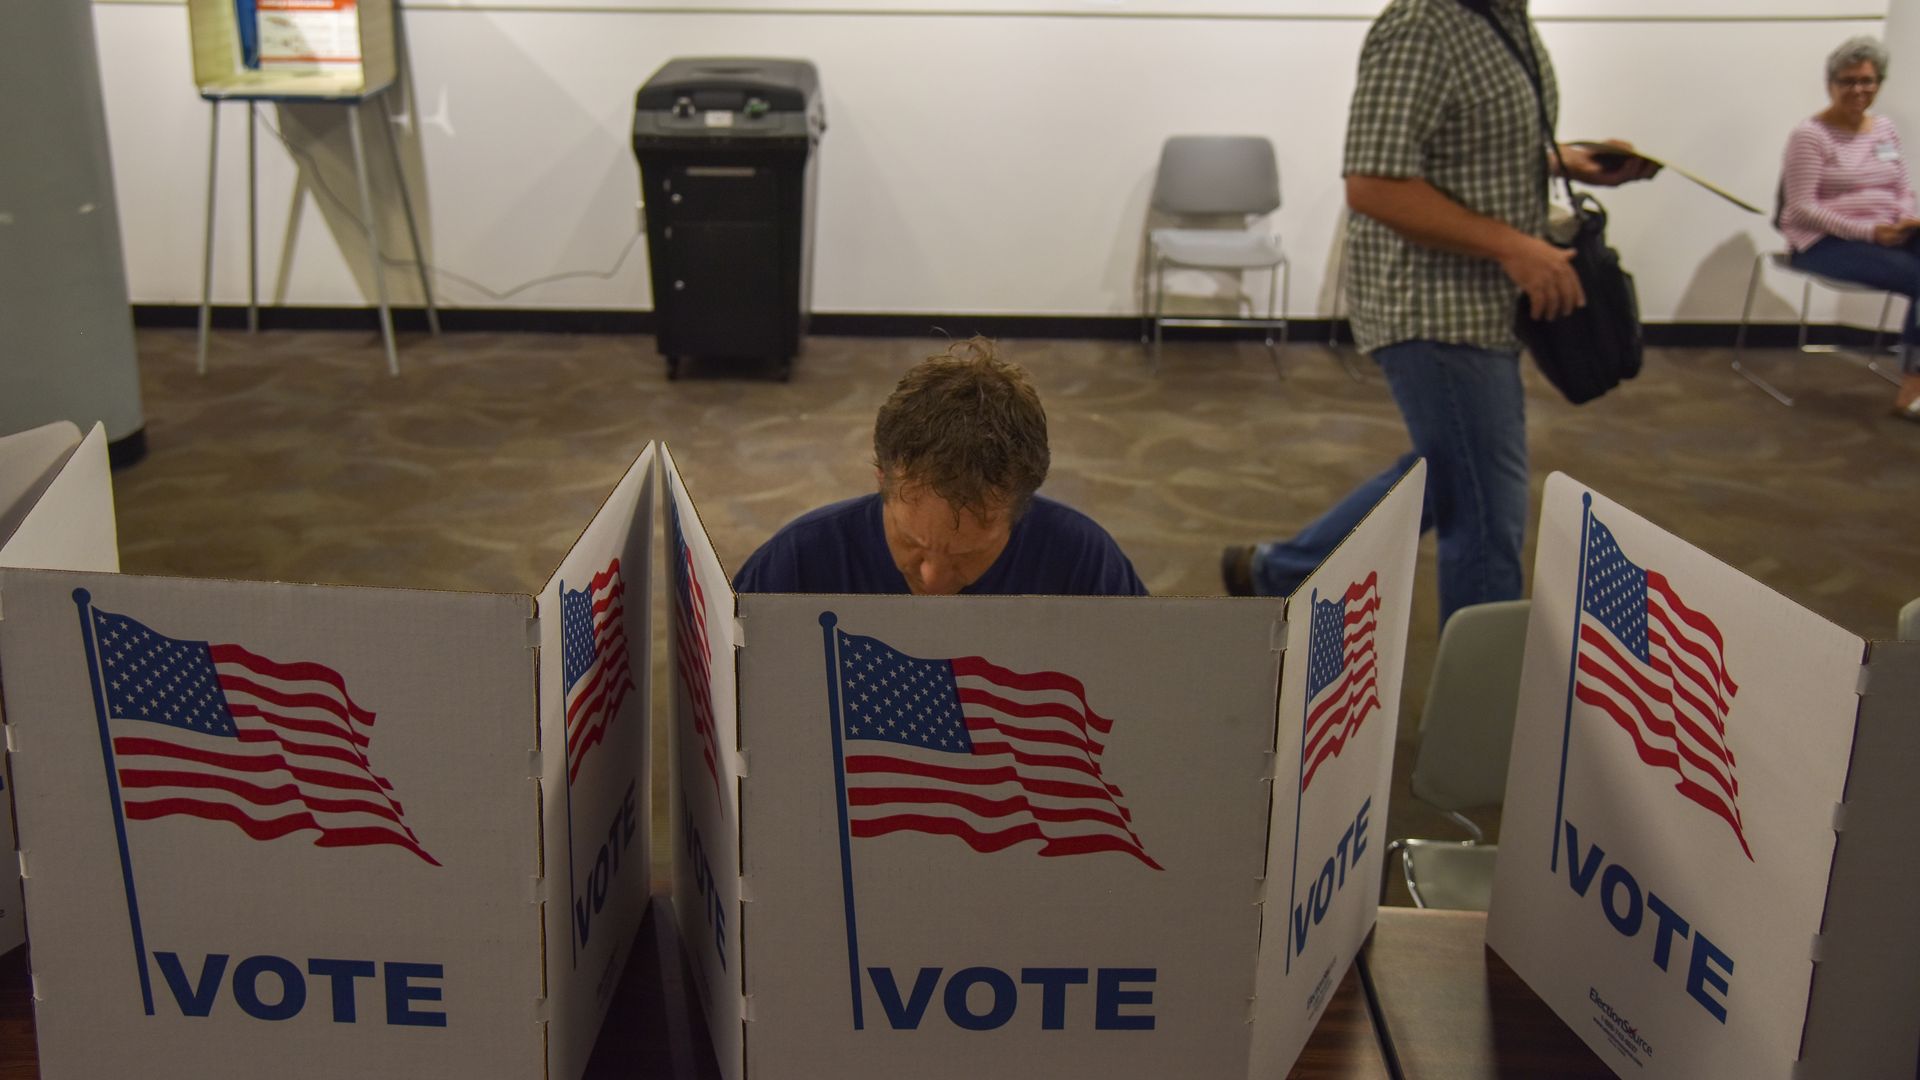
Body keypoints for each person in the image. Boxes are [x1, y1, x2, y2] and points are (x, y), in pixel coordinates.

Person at [1220, 0, 1657, 626]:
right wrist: (1513, 244)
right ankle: (1475, 714)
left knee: (1448, 472)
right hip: (1433, 305)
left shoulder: (1507, 19)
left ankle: (1278, 570)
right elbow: (1374, 182)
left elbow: (1462, 148)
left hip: (1478, 304)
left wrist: (1561, 158)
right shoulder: (1423, 25)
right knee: (1487, 518)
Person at [733, 338, 1147, 596]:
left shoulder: (1082, 563)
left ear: (1022, 509)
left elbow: (1148, 689)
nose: (932, 581)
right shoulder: (798, 562)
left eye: (968, 554)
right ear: (882, 479)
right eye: (911, 541)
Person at [1779, 35, 1920, 423]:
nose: (1859, 90)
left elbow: (1902, 187)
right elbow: (1801, 208)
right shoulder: (1811, 135)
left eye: (1868, 81)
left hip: (1891, 234)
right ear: (1831, 85)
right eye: (1848, 81)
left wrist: (1903, 219)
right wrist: (1872, 233)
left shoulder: (1885, 130)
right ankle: (1913, 387)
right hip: (1825, 243)